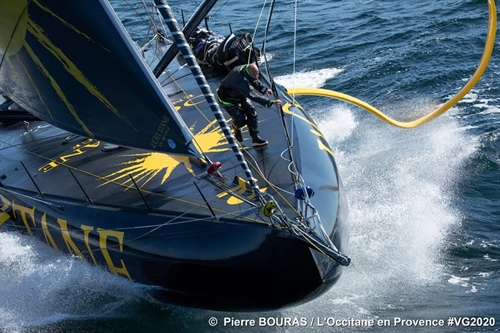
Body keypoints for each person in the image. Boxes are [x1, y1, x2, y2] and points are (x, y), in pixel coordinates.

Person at [217, 63, 282, 147]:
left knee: (252, 112)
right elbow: (252, 95)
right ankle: (236, 126)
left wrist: (264, 89)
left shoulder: (246, 70)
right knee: (241, 120)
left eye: (257, 73)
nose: (256, 76)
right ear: (249, 71)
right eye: (254, 74)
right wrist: (270, 101)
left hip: (240, 95)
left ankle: (255, 138)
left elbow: (254, 79)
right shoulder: (239, 79)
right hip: (228, 100)